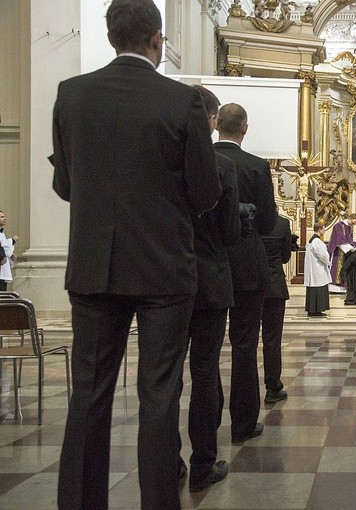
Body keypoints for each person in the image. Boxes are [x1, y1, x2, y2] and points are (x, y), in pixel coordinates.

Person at [51, 1, 221, 508]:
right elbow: (206, 191)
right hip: (164, 267)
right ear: (157, 39)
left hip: (94, 264)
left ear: (109, 38)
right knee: (159, 398)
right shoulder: (181, 101)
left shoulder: (71, 94)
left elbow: (65, 185)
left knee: (88, 394)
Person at [179, 85, 241, 493]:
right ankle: (203, 463)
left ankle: (167, 462)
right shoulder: (221, 167)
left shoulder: (165, 159)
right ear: (213, 120)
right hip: (211, 279)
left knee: (163, 376)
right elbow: (231, 233)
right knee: (204, 372)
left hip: (167, 278)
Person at [215, 102, 278, 445]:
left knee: (204, 351)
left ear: (216, 126)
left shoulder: (202, 159)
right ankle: (243, 424)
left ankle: (207, 427)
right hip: (247, 265)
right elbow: (268, 223)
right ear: (245, 128)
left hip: (208, 263)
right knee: (244, 345)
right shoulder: (256, 166)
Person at [260, 215, 293, 404]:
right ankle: (273, 386)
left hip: (248, 285)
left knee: (244, 343)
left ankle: (244, 395)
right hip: (274, 287)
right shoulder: (281, 224)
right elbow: (286, 257)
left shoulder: (246, 220)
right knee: (272, 340)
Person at [304, 223, 331, 317]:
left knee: (313, 287)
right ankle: (316, 310)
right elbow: (322, 255)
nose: (324, 231)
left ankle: (312, 310)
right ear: (319, 229)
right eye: (324, 229)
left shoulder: (311, 241)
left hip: (314, 268)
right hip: (317, 268)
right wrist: (328, 262)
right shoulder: (317, 242)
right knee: (319, 288)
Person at [328, 213, 356, 292]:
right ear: (349, 218)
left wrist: (351, 247)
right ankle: (334, 287)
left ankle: (343, 286)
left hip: (346, 251)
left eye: (354, 224)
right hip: (338, 251)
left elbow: (350, 239)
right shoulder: (338, 226)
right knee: (336, 267)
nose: (352, 225)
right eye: (352, 223)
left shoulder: (350, 227)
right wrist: (350, 248)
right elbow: (339, 239)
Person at [0, 211, 18, 291]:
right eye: (1, 217)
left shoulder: (2, 234)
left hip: (3, 270)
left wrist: (11, 255)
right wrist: (12, 240)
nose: (4, 218)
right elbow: (2, 246)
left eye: (4, 216)